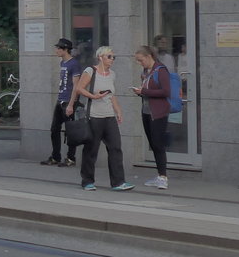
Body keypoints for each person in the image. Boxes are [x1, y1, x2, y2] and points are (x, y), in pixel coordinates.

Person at [68, 46, 134, 191]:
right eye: (109, 57)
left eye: (113, 57)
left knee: (116, 148)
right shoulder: (90, 71)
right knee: (91, 149)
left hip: (109, 116)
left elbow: (112, 95)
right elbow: (79, 88)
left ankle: (118, 182)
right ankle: (87, 181)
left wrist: (118, 111)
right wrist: (93, 96)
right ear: (100, 57)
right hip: (94, 116)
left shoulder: (112, 74)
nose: (112, 60)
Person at [132, 45, 171, 189]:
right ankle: (160, 175)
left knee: (158, 144)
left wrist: (145, 91)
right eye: (138, 61)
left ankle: (163, 177)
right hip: (147, 111)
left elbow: (166, 91)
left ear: (149, 57)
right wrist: (141, 92)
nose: (140, 63)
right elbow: (148, 91)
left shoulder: (161, 70)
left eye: (141, 60)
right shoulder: (146, 71)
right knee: (153, 144)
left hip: (158, 113)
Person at [42, 38, 81, 167]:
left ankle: (71, 158)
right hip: (60, 99)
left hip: (69, 101)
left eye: (59, 48)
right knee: (54, 129)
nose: (57, 50)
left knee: (71, 131)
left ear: (65, 49)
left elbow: (76, 86)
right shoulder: (62, 63)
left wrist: (71, 104)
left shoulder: (74, 64)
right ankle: (55, 156)